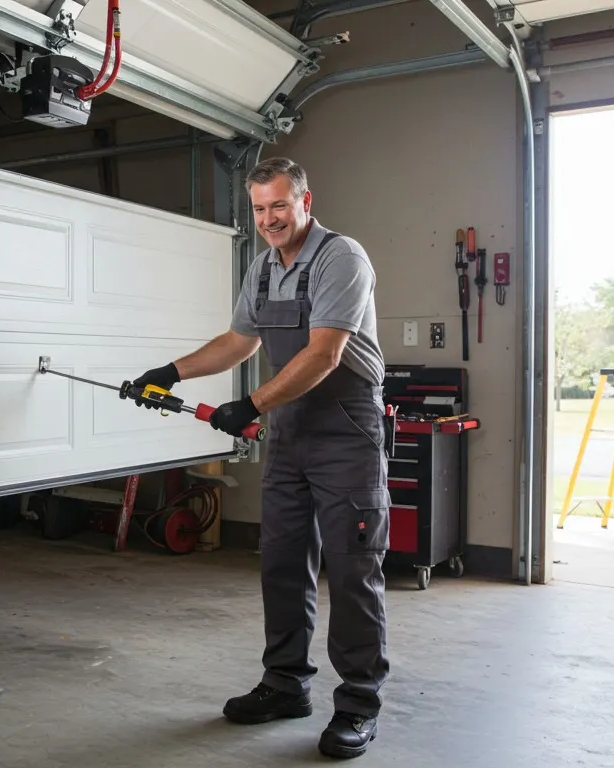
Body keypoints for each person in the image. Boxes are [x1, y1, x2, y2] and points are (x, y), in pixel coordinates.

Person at [130, 157, 390, 760]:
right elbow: (238, 340)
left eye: (279, 206)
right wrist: (170, 373)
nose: (269, 219)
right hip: (292, 429)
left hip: (347, 430)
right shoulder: (264, 266)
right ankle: (285, 685)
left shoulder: (340, 257)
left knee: (352, 570)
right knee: (281, 562)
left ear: (304, 201)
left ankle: (357, 703)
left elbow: (325, 354)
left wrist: (249, 404)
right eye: (259, 208)